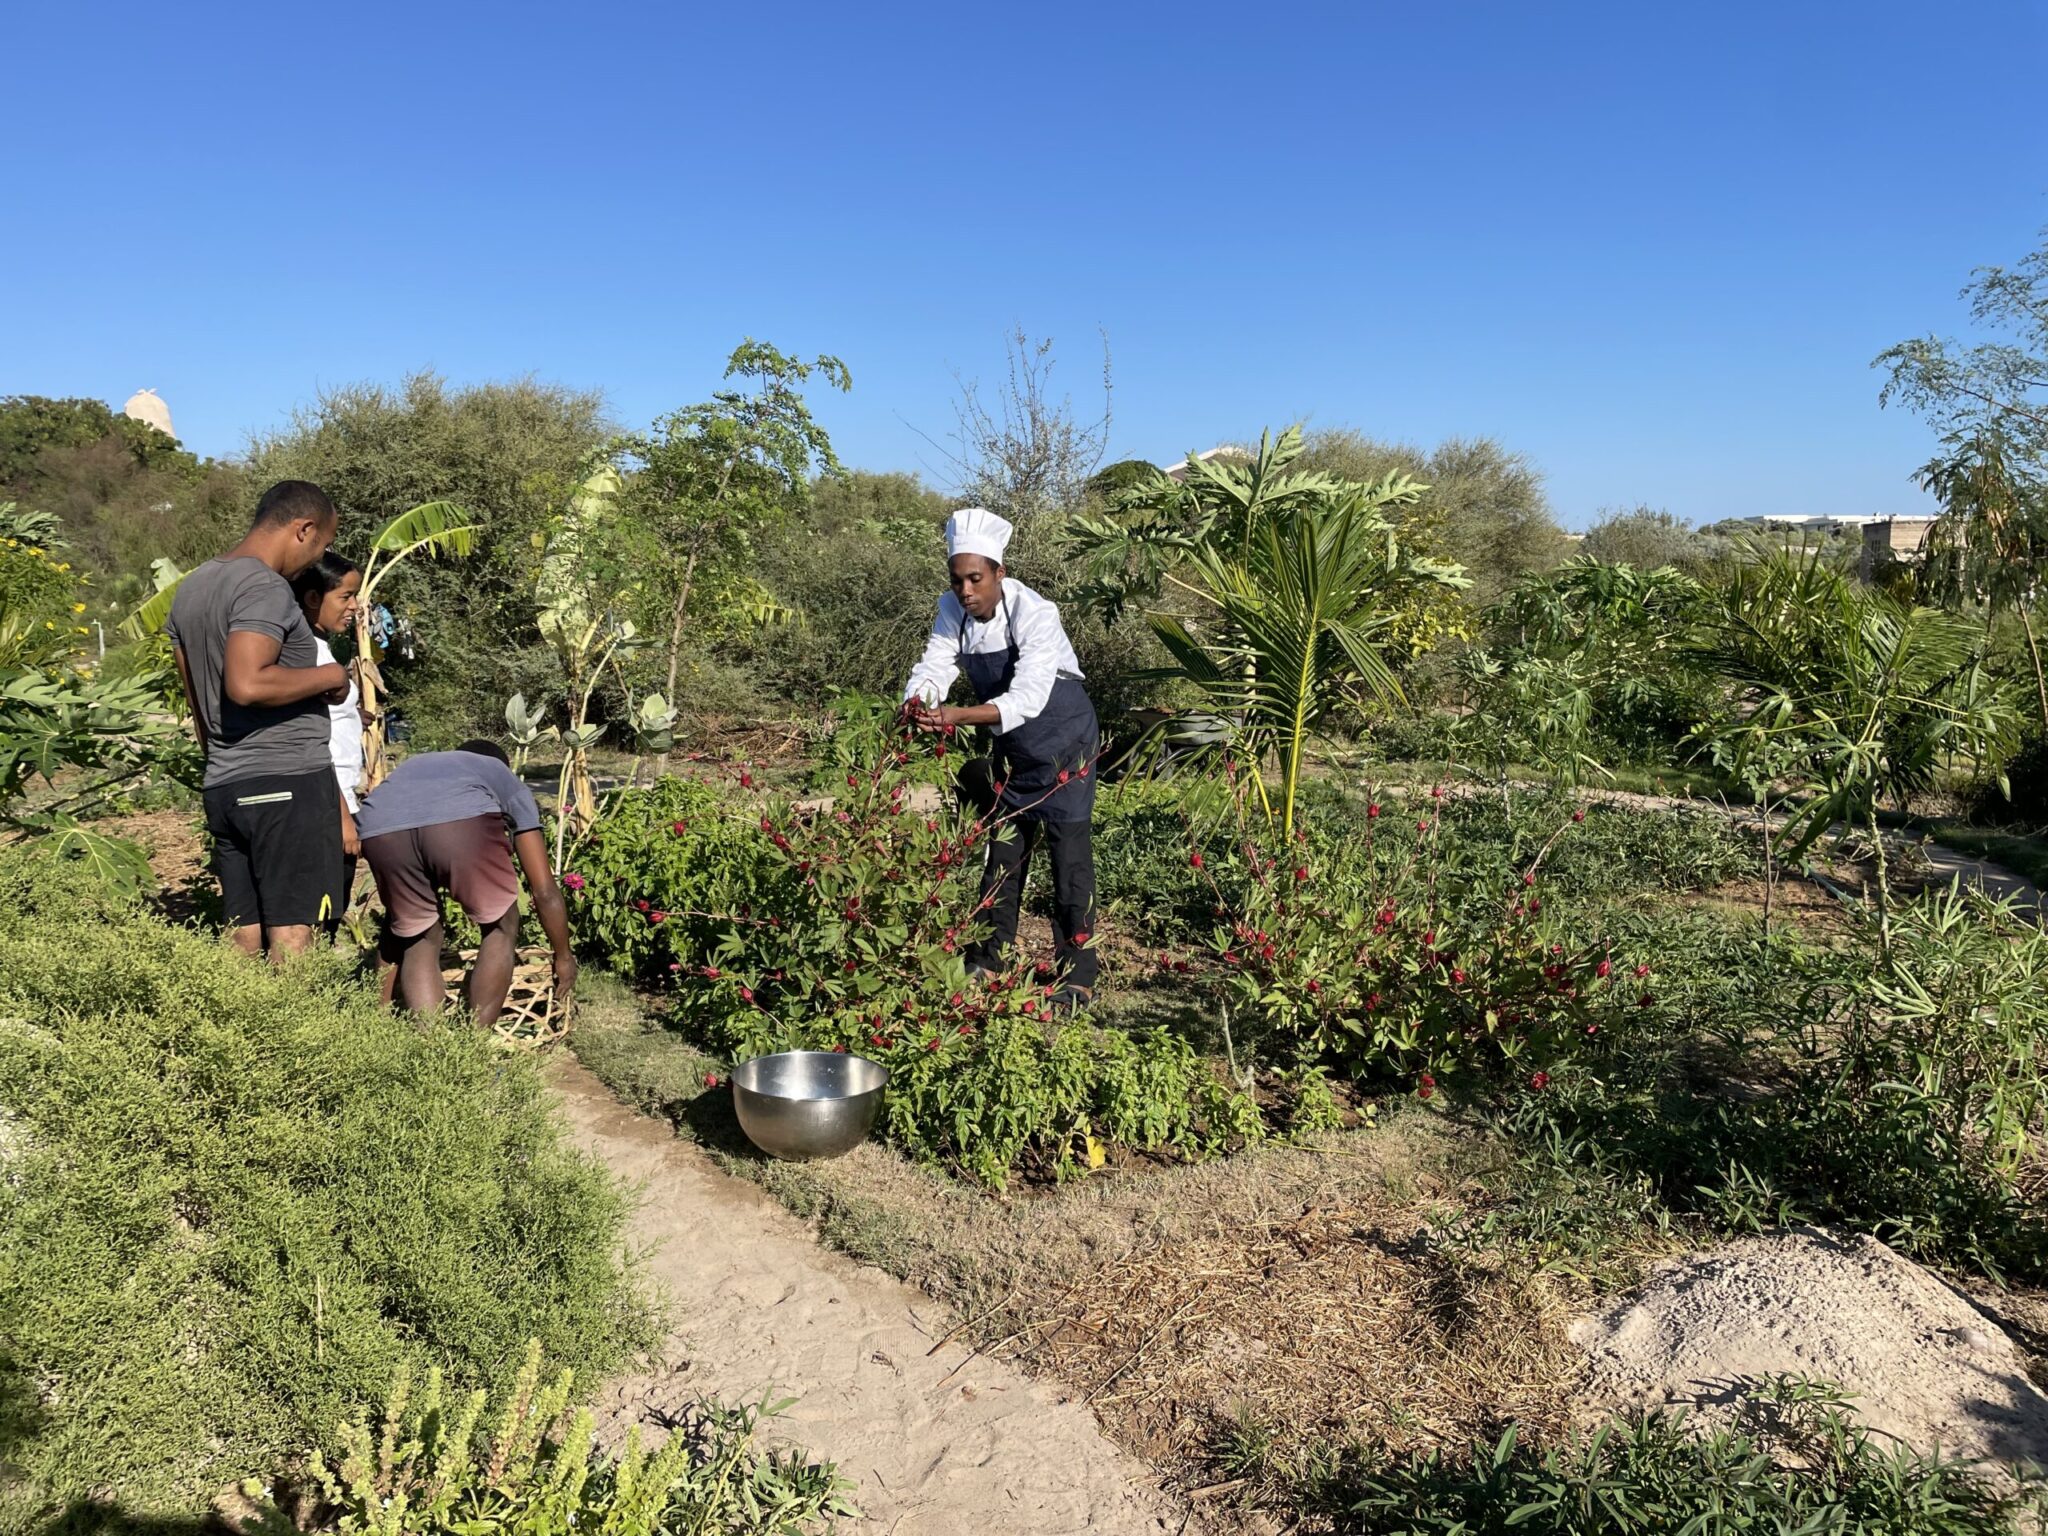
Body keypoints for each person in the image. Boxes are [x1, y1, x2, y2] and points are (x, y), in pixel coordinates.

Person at [902, 507, 1100, 1008]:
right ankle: (988, 957)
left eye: (975, 578)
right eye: (957, 579)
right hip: (1014, 747)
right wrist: (919, 703)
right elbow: (934, 665)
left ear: (998, 574)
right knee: (1004, 853)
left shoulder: (1036, 612)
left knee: (1068, 858)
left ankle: (1075, 977)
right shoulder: (952, 610)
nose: (966, 591)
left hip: (1065, 741)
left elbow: (1030, 696)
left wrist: (957, 716)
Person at [167, 480, 351, 959]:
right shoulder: (264, 586)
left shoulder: (195, 586)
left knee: (243, 937)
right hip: (285, 783)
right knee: (293, 936)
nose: (317, 559)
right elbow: (246, 684)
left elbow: (197, 700)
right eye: (322, 545)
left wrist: (225, 767)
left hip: (226, 783)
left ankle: (239, 1031)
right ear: (303, 529)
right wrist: (328, 674)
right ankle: (294, 1036)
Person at [353, 740, 577, 1025]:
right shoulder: (499, 772)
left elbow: (394, 927)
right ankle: (473, 1047)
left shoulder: (418, 764)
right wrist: (563, 956)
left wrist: (379, 1006)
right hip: (457, 825)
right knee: (501, 925)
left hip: (378, 828)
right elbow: (544, 890)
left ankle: (433, 1047)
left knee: (418, 936)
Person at [289, 551, 366, 924]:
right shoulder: (309, 657)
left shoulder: (319, 650)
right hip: (328, 801)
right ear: (313, 599)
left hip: (336, 796)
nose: (354, 607)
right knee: (325, 911)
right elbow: (311, 743)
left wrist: (354, 715)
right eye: (345, 597)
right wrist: (343, 818)